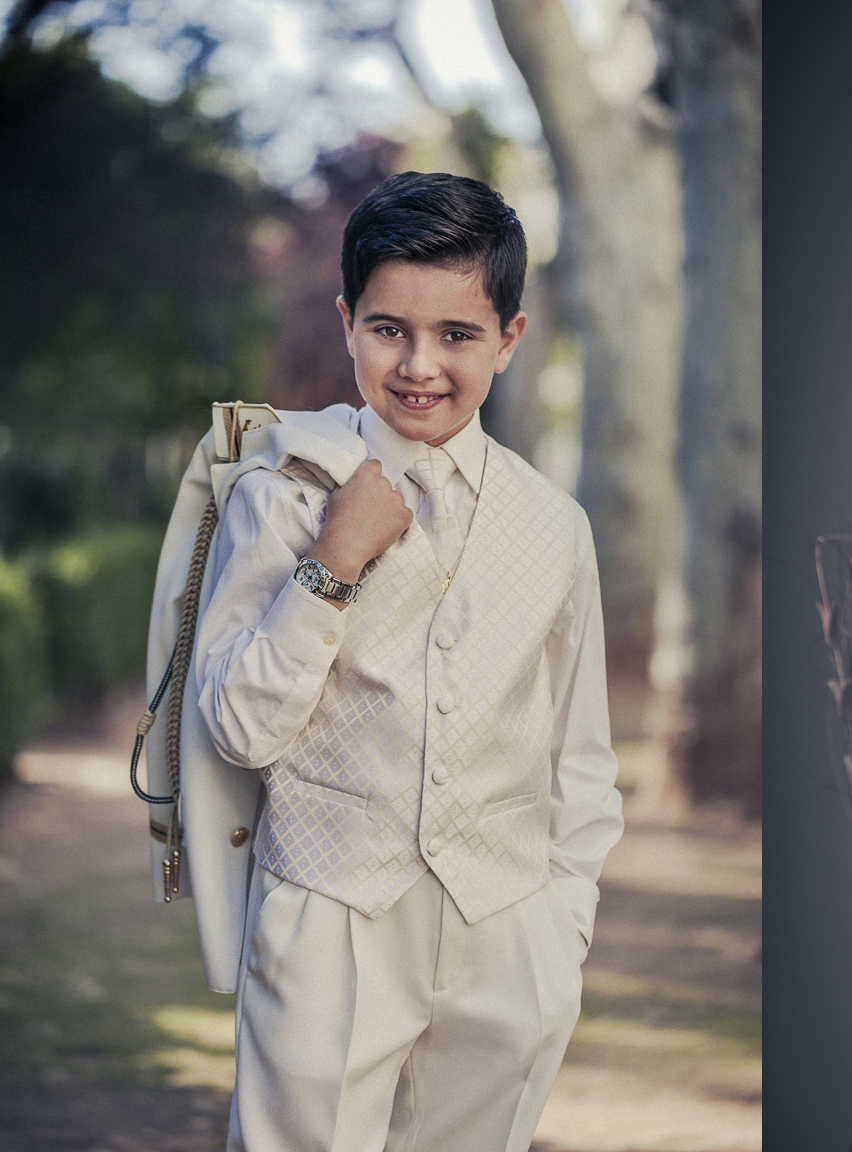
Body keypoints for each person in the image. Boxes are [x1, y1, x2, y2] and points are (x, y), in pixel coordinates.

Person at [194, 171, 624, 1151]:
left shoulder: (557, 525)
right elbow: (239, 726)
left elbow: (581, 753)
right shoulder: (285, 490)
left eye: (458, 335)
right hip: (330, 919)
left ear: (510, 340)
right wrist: (333, 562)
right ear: (348, 324)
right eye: (389, 329)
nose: (420, 364)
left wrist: (562, 929)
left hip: (507, 928)